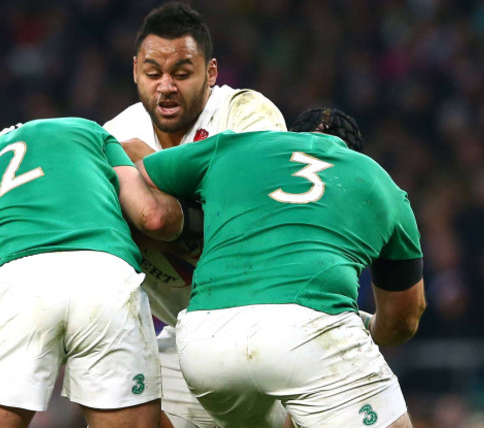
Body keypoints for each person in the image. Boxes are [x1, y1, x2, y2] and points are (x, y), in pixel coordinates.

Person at [136, 107, 427, 428]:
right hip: (310, 331)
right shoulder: (375, 178)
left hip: (206, 343)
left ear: (289, 137)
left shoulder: (235, 146)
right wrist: (368, 327)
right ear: (352, 153)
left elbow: (136, 170)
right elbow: (402, 320)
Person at [103, 3, 288, 427]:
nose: (166, 86)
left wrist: (147, 169)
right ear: (135, 71)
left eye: (182, 73)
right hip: (184, 333)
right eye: (153, 73)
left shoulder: (246, 114)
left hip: (268, 318)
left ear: (211, 72)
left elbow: (251, 212)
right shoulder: (114, 133)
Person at [0, 117, 184, 428]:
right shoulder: (84, 129)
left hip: (16, 285)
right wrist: (189, 218)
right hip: (104, 276)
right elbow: (152, 216)